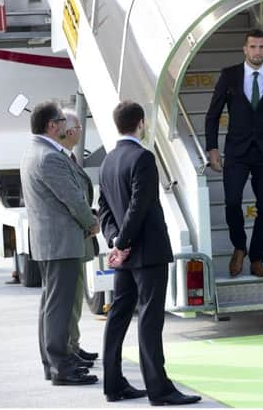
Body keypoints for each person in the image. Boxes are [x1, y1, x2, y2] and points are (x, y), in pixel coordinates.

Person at [98, 101, 201, 405]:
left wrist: (115, 239)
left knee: (118, 316)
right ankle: (160, 389)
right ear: (141, 123)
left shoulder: (108, 160)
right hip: (148, 253)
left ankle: (113, 384)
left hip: (125, 255)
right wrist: (124, 241)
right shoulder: (143, 157)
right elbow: (140, 205)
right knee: (149, 320)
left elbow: (104, 208)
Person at [205, 29, 263, 278]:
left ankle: (257, 258)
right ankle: (239, 247)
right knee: (232, 201)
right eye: (253, 47)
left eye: (262, 47)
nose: (258, 52)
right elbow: (213, 114)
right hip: (237, 149)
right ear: (245, 49)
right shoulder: (230, 75)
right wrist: (212, 148)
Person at [20, 102, 99, 386]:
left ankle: (54, 363)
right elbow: (72, 199)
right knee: (59, 307)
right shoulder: (48, 157)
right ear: (52, 126)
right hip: (61, 242)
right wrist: (90, 221)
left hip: (53, 242)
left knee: (52, 305)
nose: (66, 125)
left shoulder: (36, 152)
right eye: (61, 121)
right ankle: (59, 367)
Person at [60, 109, 100, 365]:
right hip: (69, 239)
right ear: (69, 130)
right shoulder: (59, 158)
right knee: (69, 301)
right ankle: (68, 347)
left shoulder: (68, 157)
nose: (81, 132)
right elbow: (72, 199)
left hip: (77, 238)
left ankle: (73, 343)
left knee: (75, 299)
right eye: (79, 127)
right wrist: (91, 220)